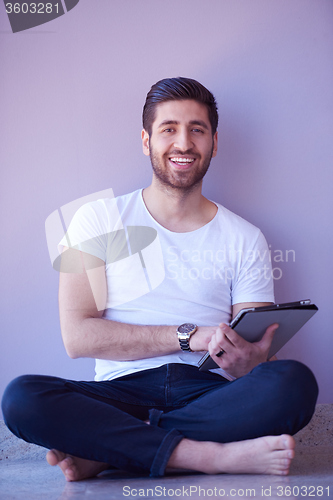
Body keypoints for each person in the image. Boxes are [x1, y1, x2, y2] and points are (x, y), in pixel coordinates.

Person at [2, 77, 318, 482]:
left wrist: (247, 363)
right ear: (146, 140)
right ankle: (210, 457)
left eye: (197, 130)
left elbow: (256, 362)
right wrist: (191, 336)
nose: (183, 143)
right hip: (120, 393)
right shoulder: (96, 219)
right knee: (22, 398)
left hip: (206, 392)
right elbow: (78, 337)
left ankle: (113, 451)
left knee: (293, 383)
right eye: (169, 129)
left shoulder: (245, 237)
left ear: (214, 143)